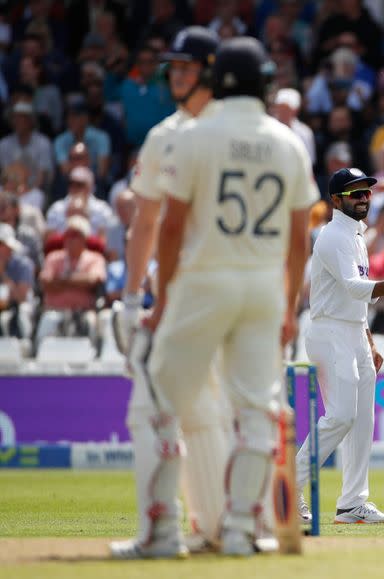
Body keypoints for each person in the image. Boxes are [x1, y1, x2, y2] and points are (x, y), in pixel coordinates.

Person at [131, 36, 316, 558]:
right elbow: (299, 234)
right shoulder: (288, 143)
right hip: (261, 287)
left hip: (205, 279)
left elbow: (169, 230)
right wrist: (286, 305)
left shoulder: (196, 136)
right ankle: (238, 529)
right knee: (257, 410)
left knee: (160, 403)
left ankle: (162, 532)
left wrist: (163, 298)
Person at [108, 27, 237, 559]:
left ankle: (158, 534)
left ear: (209, 72)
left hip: (185, 291)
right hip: (237, 289)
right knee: (207, 411)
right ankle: (217, 526)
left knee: (149, 410)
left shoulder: (170, 134)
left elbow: (145, 223)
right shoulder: (248, 133)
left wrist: (132, 296)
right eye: (174, 69)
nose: (177, 77)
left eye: (187, 68)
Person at [296, 167, 384, 525]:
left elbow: (354, 299)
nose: (363, 198)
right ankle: (286, 489)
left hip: (353, 332)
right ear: (336, 199)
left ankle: (353, 502)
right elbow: (355, 287)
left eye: (366, 192)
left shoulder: (355, 235)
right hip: (329, 333)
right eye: (355, 193)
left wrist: (367, 340)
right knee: (341, 416)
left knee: (361, 421)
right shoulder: (332, 236)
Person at [37, 215, 106, 345]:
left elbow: (92, 281)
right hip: (54, 311)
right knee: (47, 321)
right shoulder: (53, 257)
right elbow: (46, 283)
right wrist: (77, 282)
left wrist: (60, 281)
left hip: (83, 312)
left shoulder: (95, 258)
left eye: (75, 235)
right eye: (67, 235)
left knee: (91, 322)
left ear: (84, 238)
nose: (70, 239)